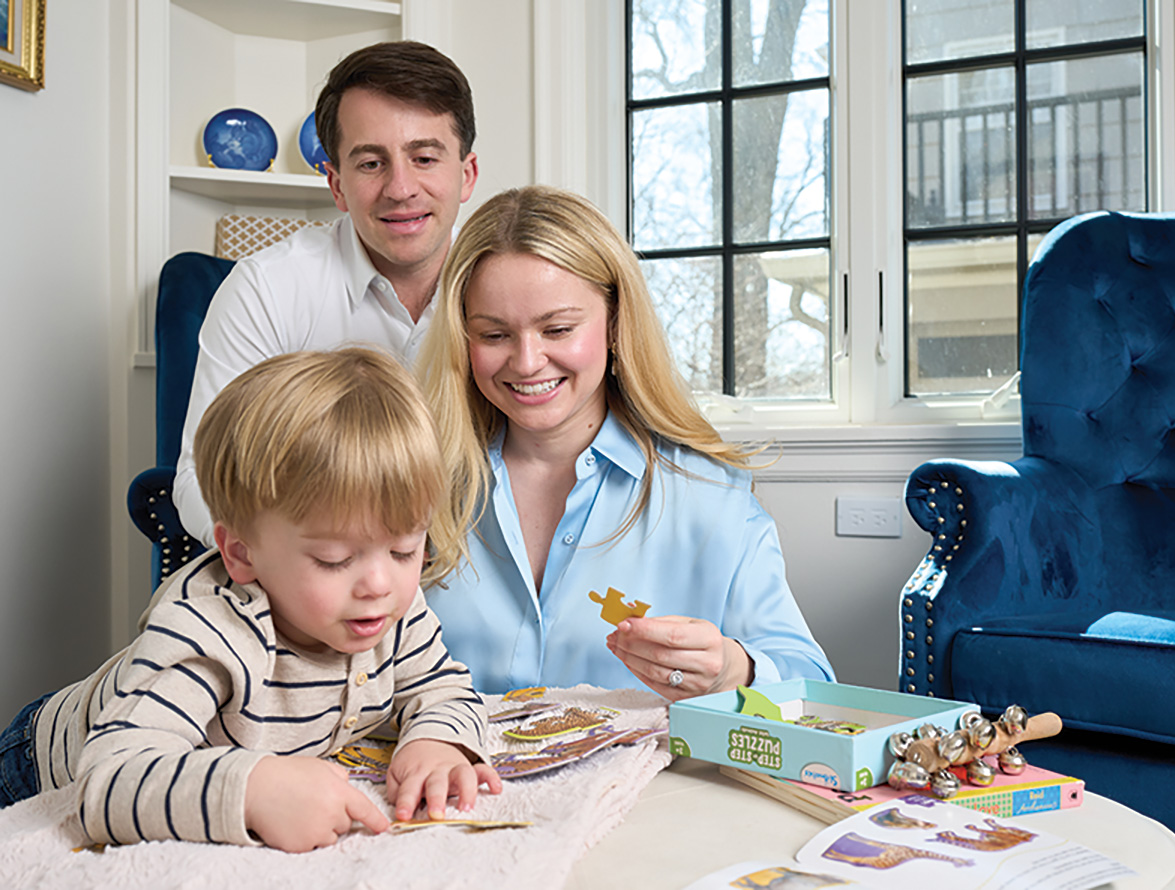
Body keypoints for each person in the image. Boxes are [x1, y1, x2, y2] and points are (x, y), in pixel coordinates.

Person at [0, 348, 500, 851]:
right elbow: (107, 782)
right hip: (35, 767)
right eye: (332, 559)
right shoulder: (209, 631)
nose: (379, 583)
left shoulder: (390, 607)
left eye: (404, 548)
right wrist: (253, 789)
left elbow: (442, 688)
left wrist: (438, 740)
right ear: (241, 554)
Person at [419, 185, 835, 701]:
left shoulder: (710, 494)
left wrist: (735, 671)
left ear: (615, 323)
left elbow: (813, 685)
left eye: (558, 329)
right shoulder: (416, 486)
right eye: (494, 335)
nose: (526, 362)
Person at [173, 40, 480, 547]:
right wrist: (301, 570)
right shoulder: (266, 288)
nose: (401, 188)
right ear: (335, 184)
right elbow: (202, 481)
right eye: (370, 164)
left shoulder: (510, 291)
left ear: (465, 174)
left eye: (424, 157)